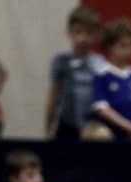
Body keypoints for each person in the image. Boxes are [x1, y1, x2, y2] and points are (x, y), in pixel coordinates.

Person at [45, 5, 104, 140]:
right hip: (66, 124)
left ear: (96, 34)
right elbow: (53, 97)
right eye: (78, 32)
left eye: (89, 33)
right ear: (69, 33)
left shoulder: (100, 63)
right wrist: (48, 129)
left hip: (91, 126)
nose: (83, 38)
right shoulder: (60, 61)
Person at [92, 18, 131, 140]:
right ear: (109, 46)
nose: (128, 51)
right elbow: (102, 108)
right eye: (123, 46)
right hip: (109, 135)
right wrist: (129, 127)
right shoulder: (102, 74)